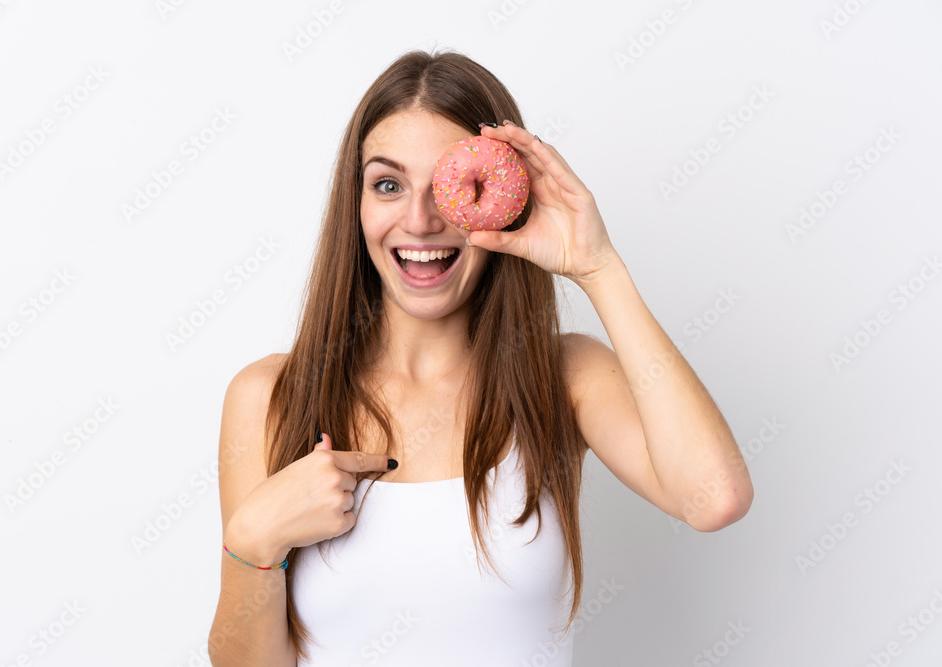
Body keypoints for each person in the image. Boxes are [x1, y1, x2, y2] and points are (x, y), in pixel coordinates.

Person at [207, 49, 753, 666]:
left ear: (502, 200)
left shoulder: (563, 377)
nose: (418, 221)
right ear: (355, 205)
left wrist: (598, 266)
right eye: (387, 184)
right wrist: (253, 541)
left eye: (449, 187)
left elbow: (714, 497)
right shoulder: (270, 395)